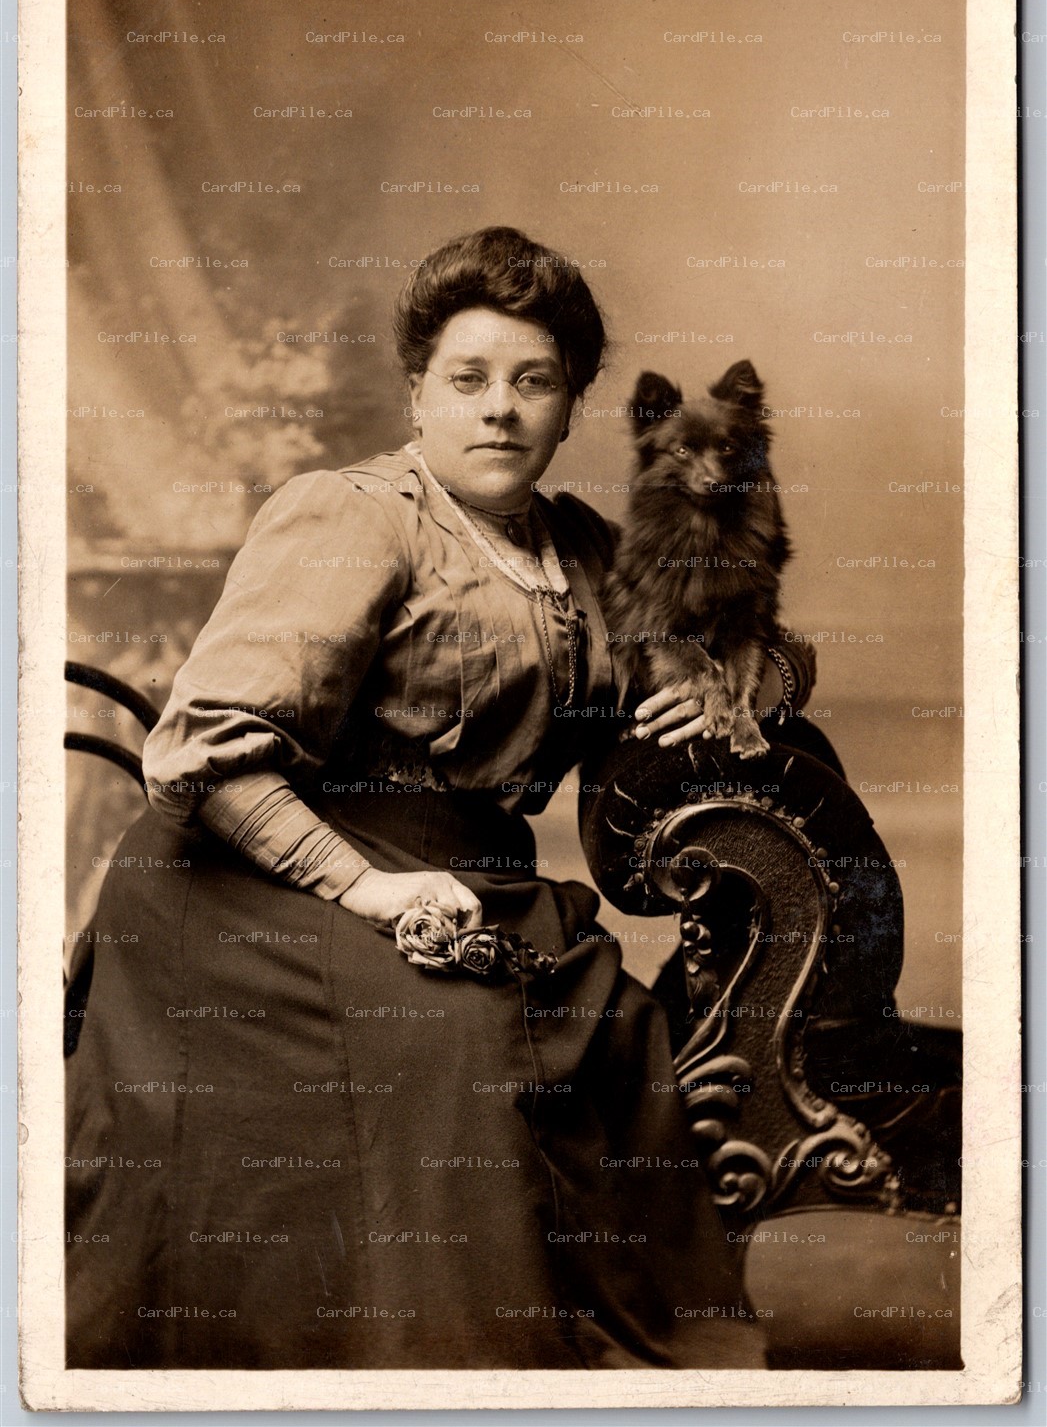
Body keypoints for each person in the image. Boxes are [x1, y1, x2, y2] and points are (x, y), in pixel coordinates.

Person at [65, 226, 765, 1371]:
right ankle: (445, 1366)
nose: (501, 410)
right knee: (456, 1045)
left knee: (618, 1022)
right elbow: (200, 753)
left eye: (534, 382)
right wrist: (370, 890)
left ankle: (660, 1372)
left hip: (472, 874)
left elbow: (745, 646)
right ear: (420, 391)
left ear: (572, 402)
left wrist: (735, 685)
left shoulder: (583, 548)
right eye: (470, 379)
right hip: (253, 884)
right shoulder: (352, 515)